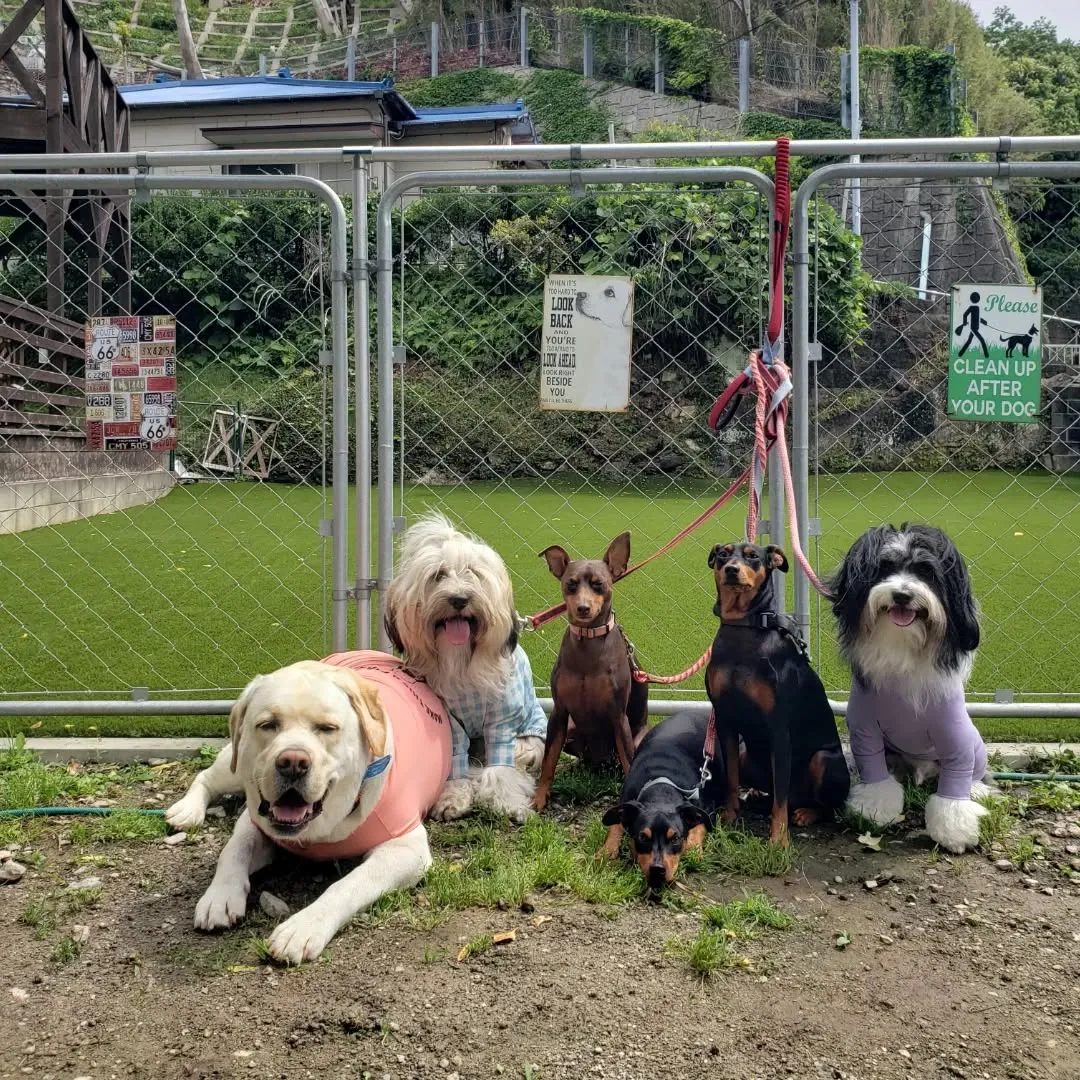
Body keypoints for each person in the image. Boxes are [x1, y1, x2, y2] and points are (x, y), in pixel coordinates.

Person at [956, 291, 989, 358]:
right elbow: (965, 314)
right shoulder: (972, 307)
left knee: (969, 341)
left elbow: (977, 317)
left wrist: (984, 322)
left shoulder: (977, 308)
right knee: (982, 340)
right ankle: (987, 355)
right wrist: (964, 322)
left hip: (975, 327)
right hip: (973, 328)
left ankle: (960, 354)